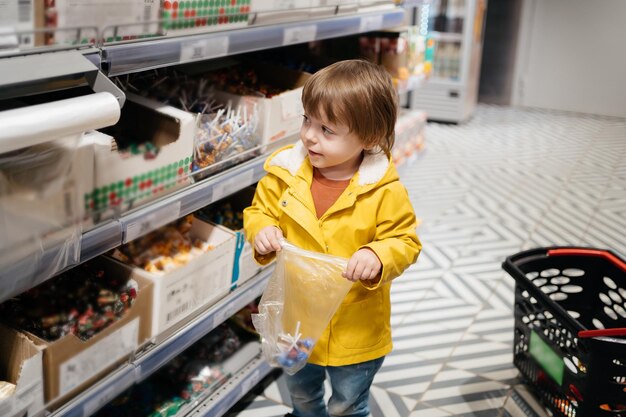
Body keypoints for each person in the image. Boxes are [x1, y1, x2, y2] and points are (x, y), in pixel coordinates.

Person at [243, 59, 422, 417]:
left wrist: (378, 255)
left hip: (354, 330)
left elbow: (404, 240)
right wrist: (261, 230)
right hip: (298, 321)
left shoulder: (382, 190)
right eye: (307, 120)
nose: (309, 135)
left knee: (347, 404)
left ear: (368, 138)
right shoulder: (285, 173)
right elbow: (259, 210)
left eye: (327, 130)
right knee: (303, 397)